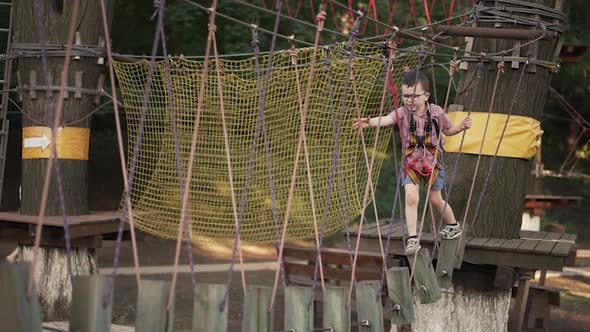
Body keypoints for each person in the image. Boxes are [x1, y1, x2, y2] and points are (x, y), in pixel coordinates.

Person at [352, 70, 472, 255]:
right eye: (405, 96)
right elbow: (387, 119)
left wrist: (461, 127)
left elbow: (448, 130)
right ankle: (412, 239)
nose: (409, 100)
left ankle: (453, 225)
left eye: (414, 96)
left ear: (426, 96)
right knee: (411, 197)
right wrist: (370, 122)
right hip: (411, 163)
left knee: (435, 199)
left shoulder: (437, 112)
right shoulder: (402, 113)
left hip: (433, 163)